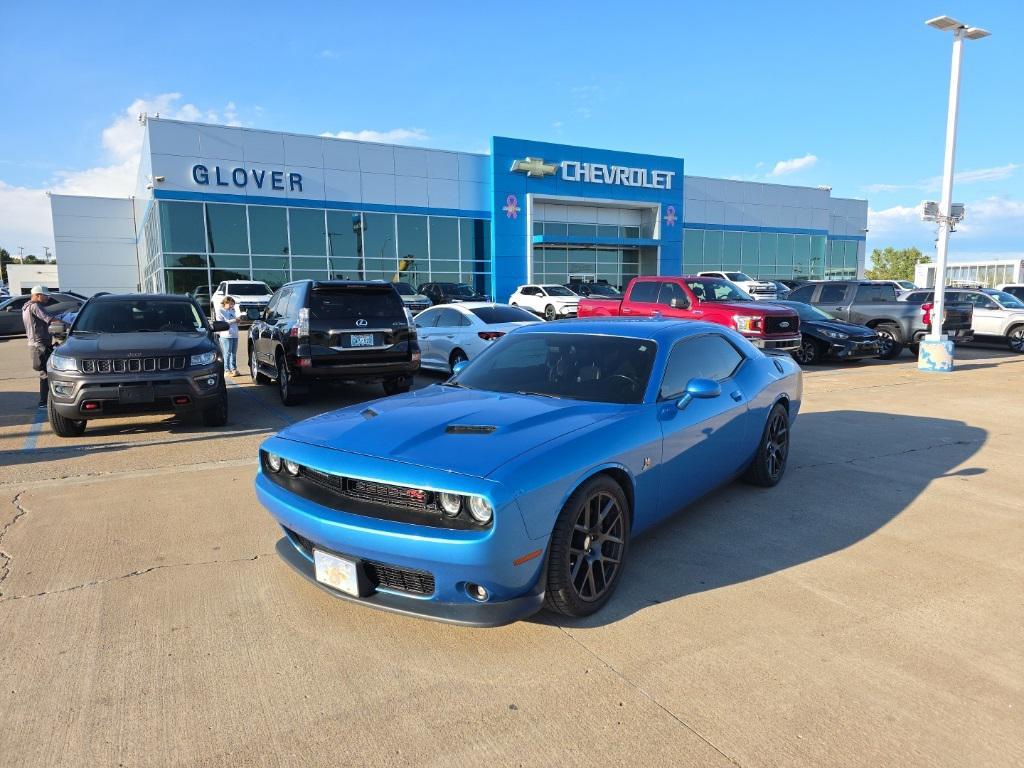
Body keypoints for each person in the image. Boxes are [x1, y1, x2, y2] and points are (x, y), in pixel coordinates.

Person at [22, 286, 57, 407]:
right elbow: (50, 319)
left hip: (35, 344)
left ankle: (45, 401)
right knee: (47, 373)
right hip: (40, 345)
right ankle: (44, 402)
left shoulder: (26, 306)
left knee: (44, 372)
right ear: (37, 295)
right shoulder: (35, 306)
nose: (48, 297)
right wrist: (70, 325)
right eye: (45, 295)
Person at [215, 296, 240, 376]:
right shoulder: (220, 311)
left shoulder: (232, 310)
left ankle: (234, 369)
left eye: (233, 304)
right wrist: (234, 320)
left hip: (234, 334)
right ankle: (226, 369)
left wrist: (238, 320)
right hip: (226, 335)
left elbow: (234, 321)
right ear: (225, 303)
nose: (232, 306)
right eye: (230, 304)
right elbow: (222, 323)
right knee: (227, 353)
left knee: (234, 353)